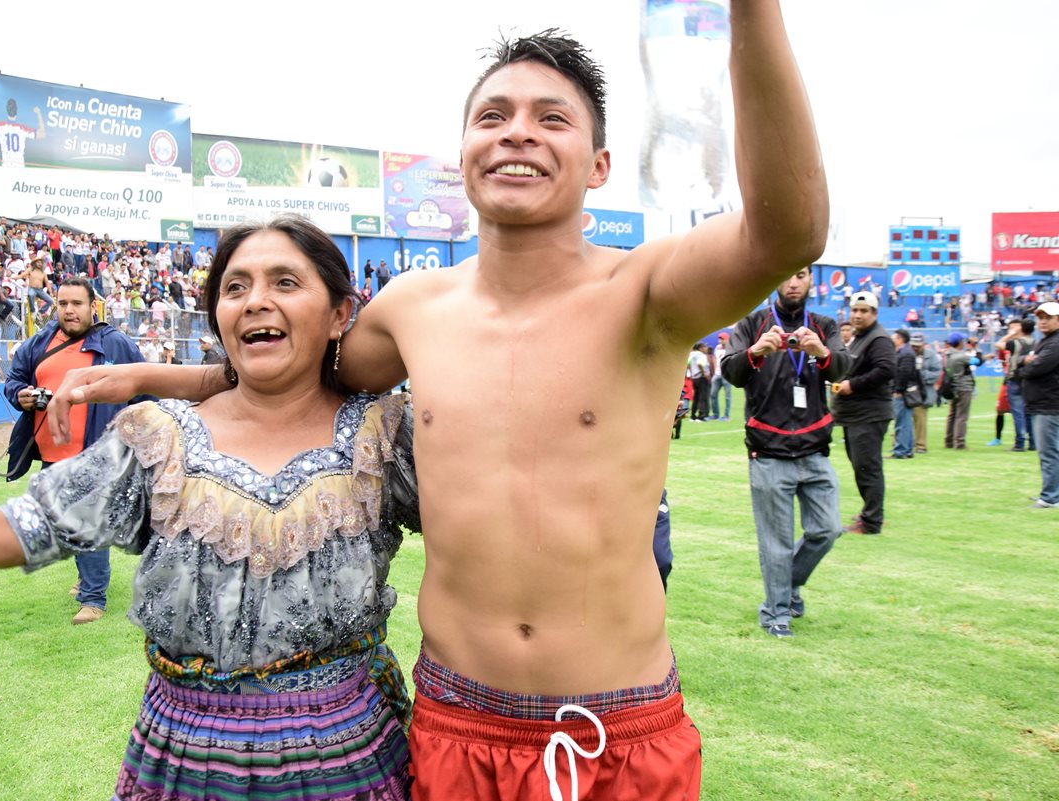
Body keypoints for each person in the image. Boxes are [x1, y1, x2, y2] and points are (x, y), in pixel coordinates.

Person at [46, 18, 827, 800]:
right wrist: (142, 376)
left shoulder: (648, 293)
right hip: (458, 724)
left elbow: (789, 229)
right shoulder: (411, 310)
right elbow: (292, 370)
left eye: (551, 118)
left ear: (599, 166)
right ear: (463, 159)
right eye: (493, 117)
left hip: (614, 726)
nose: (517, 133)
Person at [0, 217, 418, 800]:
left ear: (339, 315)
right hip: (183, 763)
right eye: (234, 287)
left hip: (352, 760)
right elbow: (23, 530)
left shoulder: (381, 436)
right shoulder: (158, 438)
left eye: (285, 283)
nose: (255, 301)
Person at [4, 277, 149, 625]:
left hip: (97, 455)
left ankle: (93, 598)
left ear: (91, 307)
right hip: (52, 455)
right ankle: (89, 575)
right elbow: (14, 380)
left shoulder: (114, 344)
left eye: (77, 304)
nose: (69, 310)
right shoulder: (38, 343)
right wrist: (20, 395)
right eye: (63, 303)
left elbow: (145, 389)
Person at [720, 266, 850, 637]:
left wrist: (820, 351)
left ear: (812, 281)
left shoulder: (824, 324)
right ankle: (776, 612)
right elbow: (730, 371)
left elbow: (842, 367)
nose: (794, 282)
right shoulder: (753, 323)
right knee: (774, 542)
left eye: (802, 275)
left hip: (814, 449)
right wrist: (756, 351)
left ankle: (787, 585)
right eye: (788, 275)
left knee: (827, 529)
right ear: (774, 280)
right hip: (768, 451)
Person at [833, 291, 894, 535]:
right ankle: (871, 511)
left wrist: (853, 384)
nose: (857, 315)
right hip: (856, 413)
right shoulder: (860, 337)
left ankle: (871, 521)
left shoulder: (878, 339)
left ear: (874, 313)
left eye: (863, 311)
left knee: (867, 467)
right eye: (855, 310)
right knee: (862, 466)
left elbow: (887, 369)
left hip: (869, 413)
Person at [1018, 302, 1059, 508]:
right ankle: (1052, 493)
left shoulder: (1055, 343)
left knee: (1049, 452)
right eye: (1040, 318)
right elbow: (1028, 362)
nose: (1042, 321)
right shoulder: (1046, 341)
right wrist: (1027, 361)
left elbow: (1035, 368)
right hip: (1044, 403)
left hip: (1048, 404)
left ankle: (1051, 497)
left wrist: (1026, 365)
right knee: (1050, 451)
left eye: (1048, 318)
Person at [994, 318, 1037, 452]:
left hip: (1015, 377)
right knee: (1029, 412)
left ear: (1022, 329)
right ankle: (1033, 442)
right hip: (1029, 379)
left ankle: (1020, 443)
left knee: (1017, 413)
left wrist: (1011, 333)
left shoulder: (1015, 343)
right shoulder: (1037, 343)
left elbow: (999, 344)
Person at [909, 332, 942, 454]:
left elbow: (937, 372)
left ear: (923, 345)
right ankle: (901, 442)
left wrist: (920, 375)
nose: (915, 348)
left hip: (922, 392)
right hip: (907, 391)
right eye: (913, 345)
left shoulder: (931, 356)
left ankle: (921, 445)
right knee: (903, 418)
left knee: (920, 419)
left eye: (918, 346)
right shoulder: (906, 354)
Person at [943, 331, 976, 450]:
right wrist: (975, 348)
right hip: (964, 386)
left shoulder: (947, 354)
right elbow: (977, 361)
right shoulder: (960, 356)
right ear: (959, 342)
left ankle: (949, 440)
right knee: (962, 415)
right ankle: (960, 442)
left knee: (952, 415)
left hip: (953, 386)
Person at [890, 329, 918, 459]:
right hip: (904, 391)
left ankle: (900, 450)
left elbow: (904, 373)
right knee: (906, 421)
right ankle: (908, 449)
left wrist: (898, 390)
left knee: (901, 421)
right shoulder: (905, 352)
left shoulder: (905, 353)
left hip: (902, 393)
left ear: (900, 339)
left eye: (894, 337)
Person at [710, 331, 732, 420]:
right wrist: (715, 370)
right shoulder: (717, 348)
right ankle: (715, 414)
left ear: (727, 340)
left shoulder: (731, 348)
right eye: (719, 339)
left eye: (722, 339)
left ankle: (726, 416)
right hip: (717, 374)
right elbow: (714, 359)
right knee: (713, 394)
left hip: (726, 375)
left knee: (727, 397)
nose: (720, 341)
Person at [686, 342, 711, 421]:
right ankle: (701, 416)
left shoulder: (692, 354)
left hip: (695, 377)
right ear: (700, 348)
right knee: (702, 397)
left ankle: (693, 416)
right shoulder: (702, 355)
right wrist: (704, 373)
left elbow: (687, 363)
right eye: (705, 347)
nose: (706, 348)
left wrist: (692, 372)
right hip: (701, 377)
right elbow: (700, 363)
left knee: (696, 397)